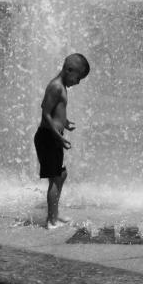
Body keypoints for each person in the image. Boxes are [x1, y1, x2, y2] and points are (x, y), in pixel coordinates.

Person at [34, 52, 90, 229]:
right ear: (69, 70)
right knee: (56, 178)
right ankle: (51, 221)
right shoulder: (56, 86)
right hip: (48, 137)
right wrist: (59, 136)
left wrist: (65, 123)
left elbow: (56, 112)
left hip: (53, 137)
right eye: (78, 78)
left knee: (61, 175)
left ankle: (55, 215)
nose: (78, 82)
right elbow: (45, 113)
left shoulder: (62, 87)